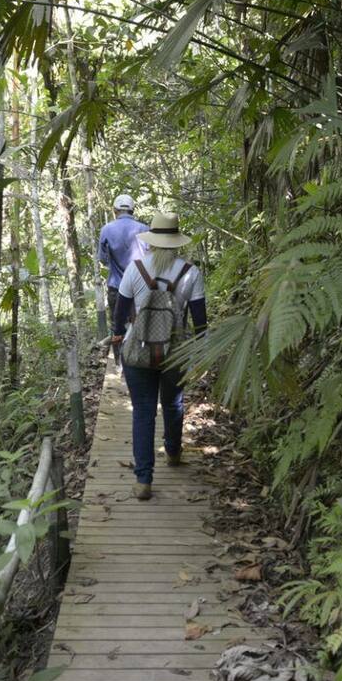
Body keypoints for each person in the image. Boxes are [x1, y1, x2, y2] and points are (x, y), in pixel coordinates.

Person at [111, 212, 207, 500]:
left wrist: (118, 348)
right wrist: (200, 353)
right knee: (173, 402)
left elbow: (119, 317)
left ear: (151, 242)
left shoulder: (134, 269)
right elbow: (201, 323)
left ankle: (144, 481)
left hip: (138, 351)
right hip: (175, 352)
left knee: (143, 411)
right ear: (177, 242)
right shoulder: (191, 272)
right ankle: (174, 452)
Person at [97, 194, 148, 338]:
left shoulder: (106, 230)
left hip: (117, 288)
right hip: (142, 288)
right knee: (145, 327)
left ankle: (119, 358)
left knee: (118, 329)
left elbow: (103, 259)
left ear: (115, 210)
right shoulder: (144, 228)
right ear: (132, 210)